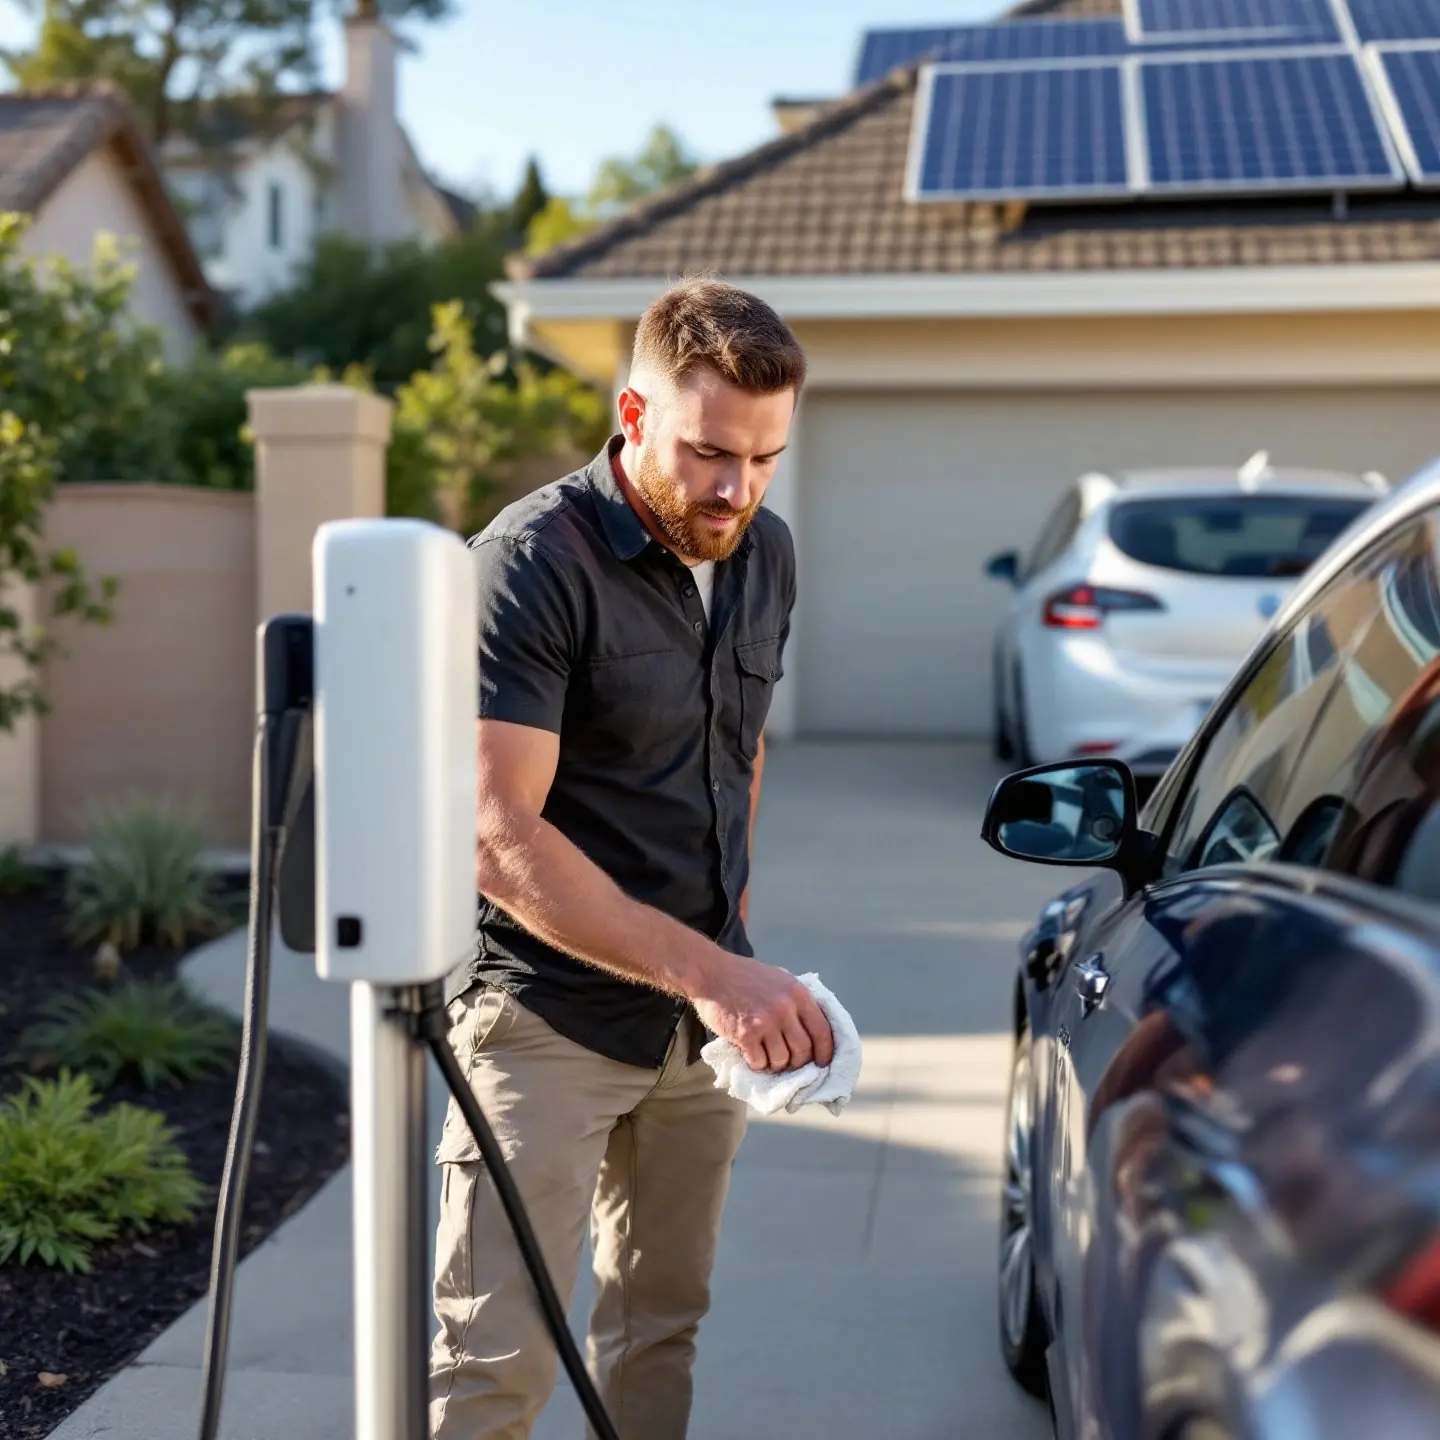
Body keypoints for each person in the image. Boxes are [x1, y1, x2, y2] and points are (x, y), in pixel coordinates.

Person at [428, 277, 835, 1440]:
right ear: (634, 413)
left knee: (658, 1333)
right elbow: (496, 836)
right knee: (492, 1366)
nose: (735, 490)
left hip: (698, 1034)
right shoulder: (528, 561)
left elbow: (734, 754)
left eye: (764, 461)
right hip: (545, 1022)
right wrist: (717, 974)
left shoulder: (766, 555)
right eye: (711, 453)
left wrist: (732, 959)